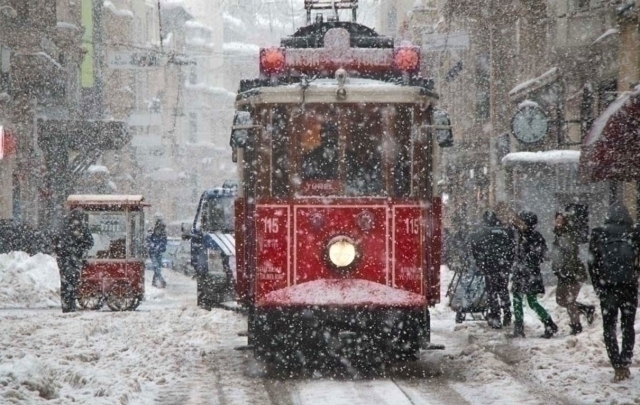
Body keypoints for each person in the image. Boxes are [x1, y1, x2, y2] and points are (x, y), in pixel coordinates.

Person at [588, 203, 640, 382]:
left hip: (608, 287)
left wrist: (597, 285)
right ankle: (625, 362)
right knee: (628, 326)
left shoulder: (599, 233)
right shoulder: (634, 232)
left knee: (609, 327)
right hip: (628, 287)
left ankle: (616, 364)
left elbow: (592, 262)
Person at [510, 211, 558, 338]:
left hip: (528, 273)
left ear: (527, 223)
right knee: (517, 299)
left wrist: (526, 261)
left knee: (530, 301)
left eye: (521, 221)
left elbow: (541, 255)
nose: (518, 223)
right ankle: (521, 327)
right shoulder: (521, 235)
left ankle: (549, 324)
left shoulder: (533, 237)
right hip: (525, 273)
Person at [550, 211, 595, 335]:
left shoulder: (568, 235)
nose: (557, 222)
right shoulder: (559, 234)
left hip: (572, 273)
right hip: (563, 273)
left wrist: (566, 271)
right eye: (556, 219)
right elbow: (557, 254)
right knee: (560, 300)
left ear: (565, 221)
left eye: (560, 219)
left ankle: (576, 326)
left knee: (569, 301)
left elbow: (570, 255)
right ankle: (586, 309)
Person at [470, 210, 516, 329]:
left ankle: (495, 316)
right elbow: (512, 246)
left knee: (492, 292)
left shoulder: (483, 232)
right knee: (503, 290)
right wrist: (509, 262)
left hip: (490, 266)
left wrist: (480, 262)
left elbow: (475, 246)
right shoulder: (504, 231)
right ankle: (507, 313)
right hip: (503, 266)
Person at [53, 208, 94, 313]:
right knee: (72, 281)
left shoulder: (64, 228)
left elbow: (55, 241)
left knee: (67, 282)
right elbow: (89, 242)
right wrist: (79, 248)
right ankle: (70, 304)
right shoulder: (80, 228)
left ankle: (67, 304)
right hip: (72, 258)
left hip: (66, 259)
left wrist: (62, 250)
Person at [147, 218, 167, 288]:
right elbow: (149, 240)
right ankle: (161, 280)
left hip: (158, 252)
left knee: (157, 267)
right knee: (156, 267)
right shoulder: (153, 232)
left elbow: (164, 243)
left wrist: (159, 247)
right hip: (154, 252)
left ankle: (154, 282)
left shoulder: (163, 233)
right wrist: (153, 246)